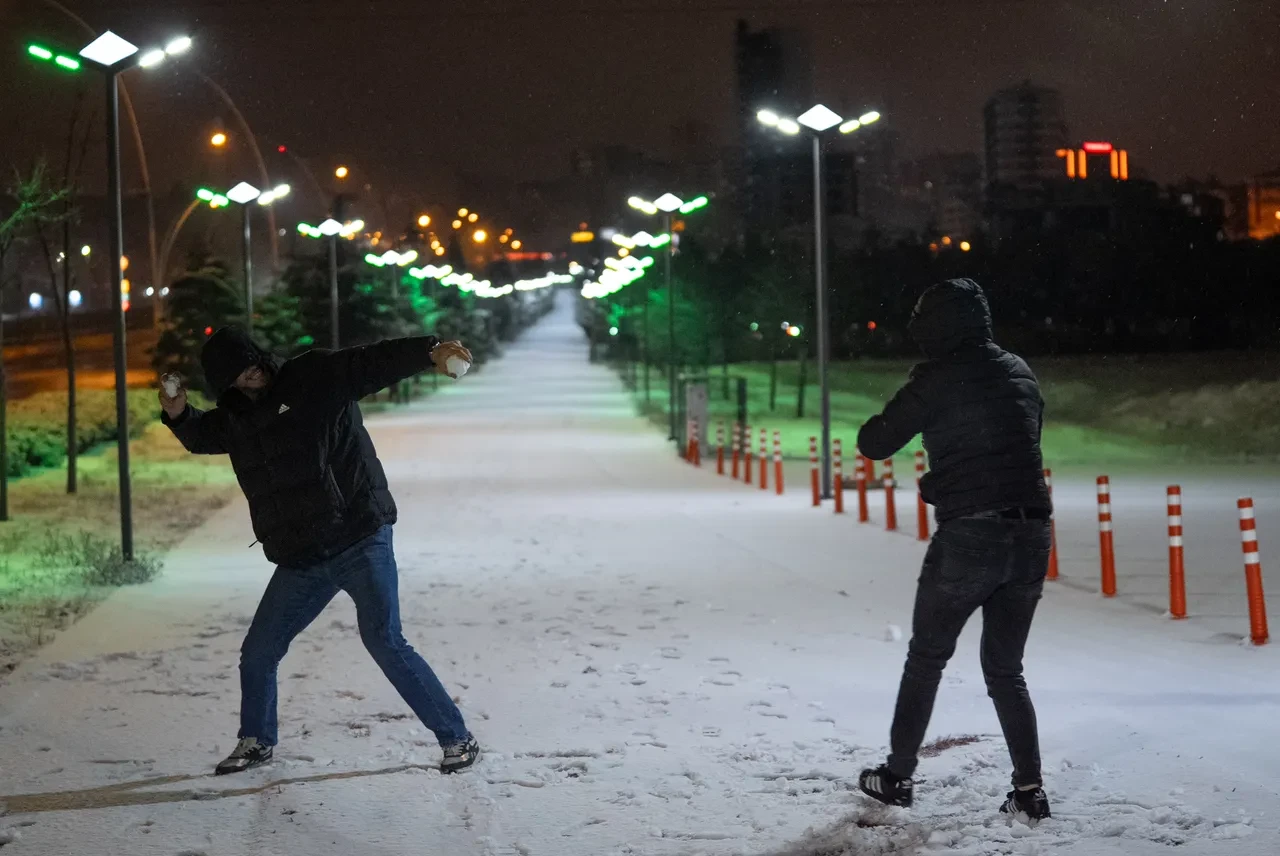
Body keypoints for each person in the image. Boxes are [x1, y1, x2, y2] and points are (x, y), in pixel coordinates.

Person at [159, 327, 480, 776]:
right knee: (259, 650)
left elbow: (371, 361)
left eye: (253, 364)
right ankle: (256, 740)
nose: (251, 376)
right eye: (239, 375)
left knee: (384, 639)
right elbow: (201, 435)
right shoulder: (236, 418)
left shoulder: (313, 376)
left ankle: (456, 737)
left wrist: (428, 351)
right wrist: (176, 413)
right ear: (226, 383)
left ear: (262, 356)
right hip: (303, 556)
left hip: (358, 534)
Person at [855, 278, 1053, 820]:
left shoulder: (935, 377)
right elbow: (1018, 443)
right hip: (1033, 532)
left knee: (927, 658)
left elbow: (875, 442)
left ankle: (896, 777)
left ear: (937, 326)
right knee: (1006, 668)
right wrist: (944, 481)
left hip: (971, 535)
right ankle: (1029, 791)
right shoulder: (1018, 370)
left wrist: (940, 468)